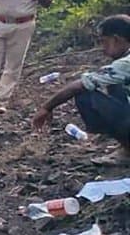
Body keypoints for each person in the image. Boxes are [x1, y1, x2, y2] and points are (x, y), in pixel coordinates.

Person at [32, 15, 130, 166]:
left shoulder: (125, 63)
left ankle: (127, 150)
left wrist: (46, 107)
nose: (103, 48)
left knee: (85, 95)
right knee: (113, 85)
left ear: (116, 39)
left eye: (104, 42)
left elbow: (80, 85)